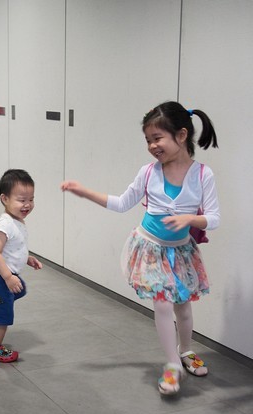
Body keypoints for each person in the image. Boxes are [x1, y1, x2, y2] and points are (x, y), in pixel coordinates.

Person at [61, 101, 220, 395]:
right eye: (148, 140)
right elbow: (122, 203)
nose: (151, 146)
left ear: (182, 135)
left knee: (183, 307)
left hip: (182, 251)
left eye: (157, 138)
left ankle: (185, 351)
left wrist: (190, 218)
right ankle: (172, 365)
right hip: (150, 248)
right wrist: (84, 192)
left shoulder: (202, 175)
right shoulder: (148, 173)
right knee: (162, 303)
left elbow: (214, 218)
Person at [0, 169, 42, 362]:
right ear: (4, 199)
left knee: (20, 290)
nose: (27, 204)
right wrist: (8, 277)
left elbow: (14, 247)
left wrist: (27, 258)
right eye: (21, 199)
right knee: (3, 319)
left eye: (31, 199)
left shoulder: (17, 221)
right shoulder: (5, 224)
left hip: (3, 275)